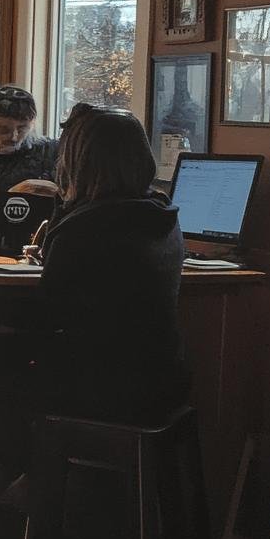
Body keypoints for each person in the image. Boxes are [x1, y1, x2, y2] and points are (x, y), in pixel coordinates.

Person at [34, 107, 186, 420]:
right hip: (164, 379)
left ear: (77, 162)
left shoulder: (84, 228)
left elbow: (45, 314)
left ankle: (36, 466)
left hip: (97, 386)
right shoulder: (162, 215)